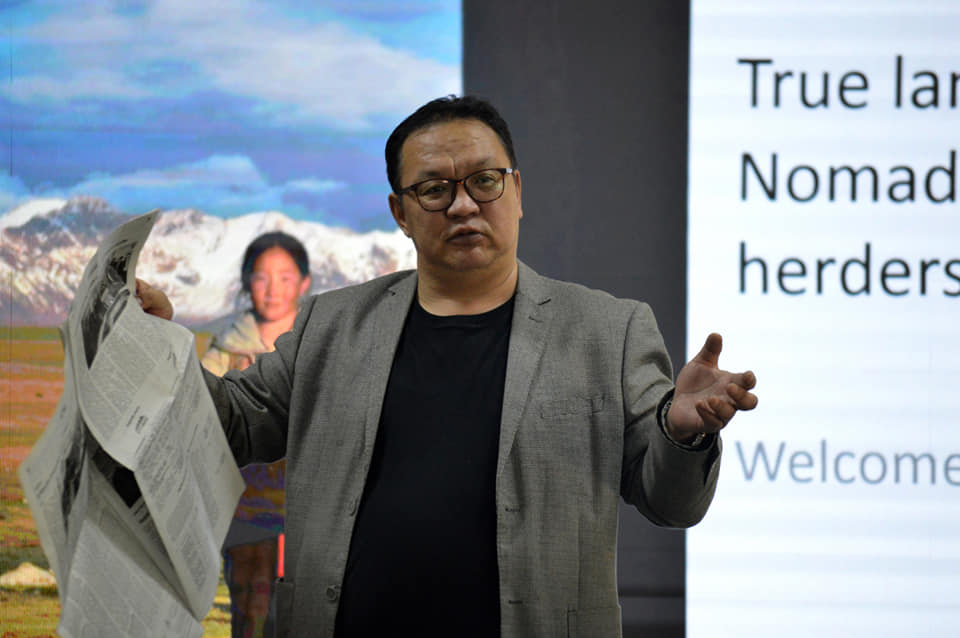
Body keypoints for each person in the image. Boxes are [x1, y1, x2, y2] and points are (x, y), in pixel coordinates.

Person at [138, 95, 758, 638]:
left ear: (517, 191)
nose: (463, 205)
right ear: (400, 212)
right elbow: (231, 422)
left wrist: (682, 432)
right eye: (434, 189)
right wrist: (156, 346)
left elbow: (672, 504)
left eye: (485, 181)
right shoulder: (331, 324)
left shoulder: (607, 331)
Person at [200, 232, 311, 638]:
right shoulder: (224, 351)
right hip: (245, 509)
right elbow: (204, 416)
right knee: (251, 611)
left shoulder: (319, 342)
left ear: (304, 283)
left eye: (285, 277)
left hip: (308, 510)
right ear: (247, 282)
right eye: (262, 277)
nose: (272, 289)